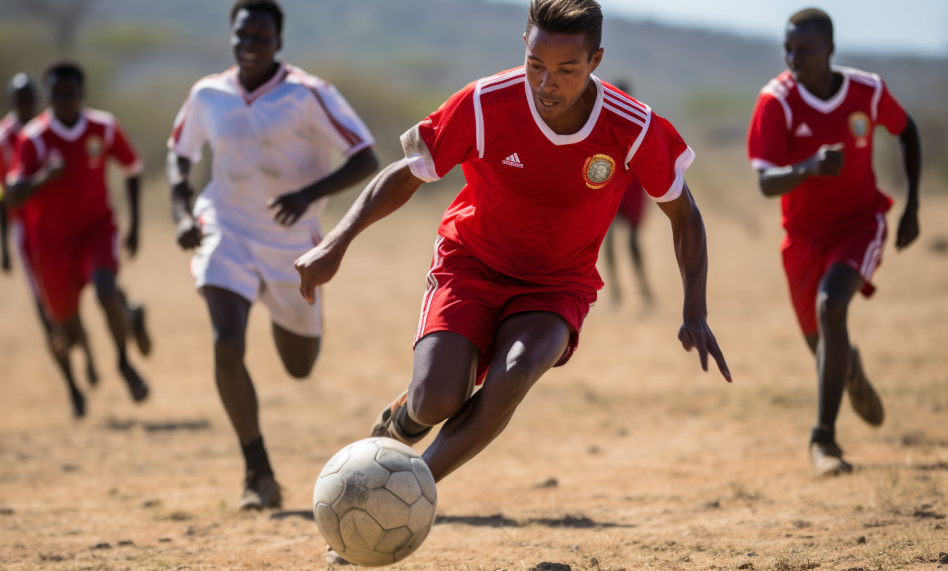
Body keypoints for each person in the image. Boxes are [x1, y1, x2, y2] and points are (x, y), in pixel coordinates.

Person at [297, 0, 731, 491]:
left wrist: (695, 308)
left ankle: (406, 492)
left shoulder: (633, 126)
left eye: (567, 69)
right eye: (535, 64)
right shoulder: (485, 104)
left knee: (516, 370)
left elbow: (684, 215)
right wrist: (335, 242)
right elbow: (408, 174)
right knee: (438, 400)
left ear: (596, 60)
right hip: (472, 263)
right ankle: (404, 419)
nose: (547, 84)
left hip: (556, 284)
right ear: (523, 48)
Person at [166, 0, 379, 510]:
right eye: (243, 34)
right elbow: (179, 156)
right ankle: (257, 472)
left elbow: (366, 157)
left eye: (261, 36)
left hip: (291, 245)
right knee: (225, 342)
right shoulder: (208, 94)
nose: (250, 43)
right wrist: (180, 212)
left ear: (277, 42)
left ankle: (274, 307)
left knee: (299, 366)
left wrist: (306, 195)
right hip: (225, 228)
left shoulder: (309, 95)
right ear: (233, 37)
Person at [746, 8, 921, 476]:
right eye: (788, 49)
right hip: (802, 239)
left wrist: (913, 206)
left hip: (860, 224)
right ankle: (851, 372)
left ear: (829, 50)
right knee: (821, 341)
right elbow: (765, 184)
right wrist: (807, 168)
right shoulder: (775, 101)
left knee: (831, 307)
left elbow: (908, 132)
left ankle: (824, 442)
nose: (792, 58)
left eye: (804, 50)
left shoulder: (868, 91)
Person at [6, 60, 153, 418]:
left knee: (105, 288)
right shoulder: (34, 139)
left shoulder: (103, 127)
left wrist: (134, 225)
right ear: (48, 95)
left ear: (81, 94)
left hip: (96, 229)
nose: (64, 100)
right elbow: (12, 194)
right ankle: (127, 319)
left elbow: (132, 169)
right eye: (56, 93)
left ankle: (123, 362)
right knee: (67, 334)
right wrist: (43, 178)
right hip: (52, 244)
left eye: (70, 93)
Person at [0, 72, 106, 418]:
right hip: (29, 235)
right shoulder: (2, 139)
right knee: (49, 315)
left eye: (30, 99)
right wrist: (4, 246)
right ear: (11, 102)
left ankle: (90, 354)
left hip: (62, 229)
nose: (25, 106)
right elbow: (1, 193)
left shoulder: (47, 132)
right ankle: (72, 387)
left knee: (84, 295)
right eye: (19, 100)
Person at [601, 80, 655, 309]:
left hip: (631, 187)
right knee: (609, 239)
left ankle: (642, 290)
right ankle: (616, 291)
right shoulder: (605, 122)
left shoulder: (639, 119)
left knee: (631, 241)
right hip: (613, 186)